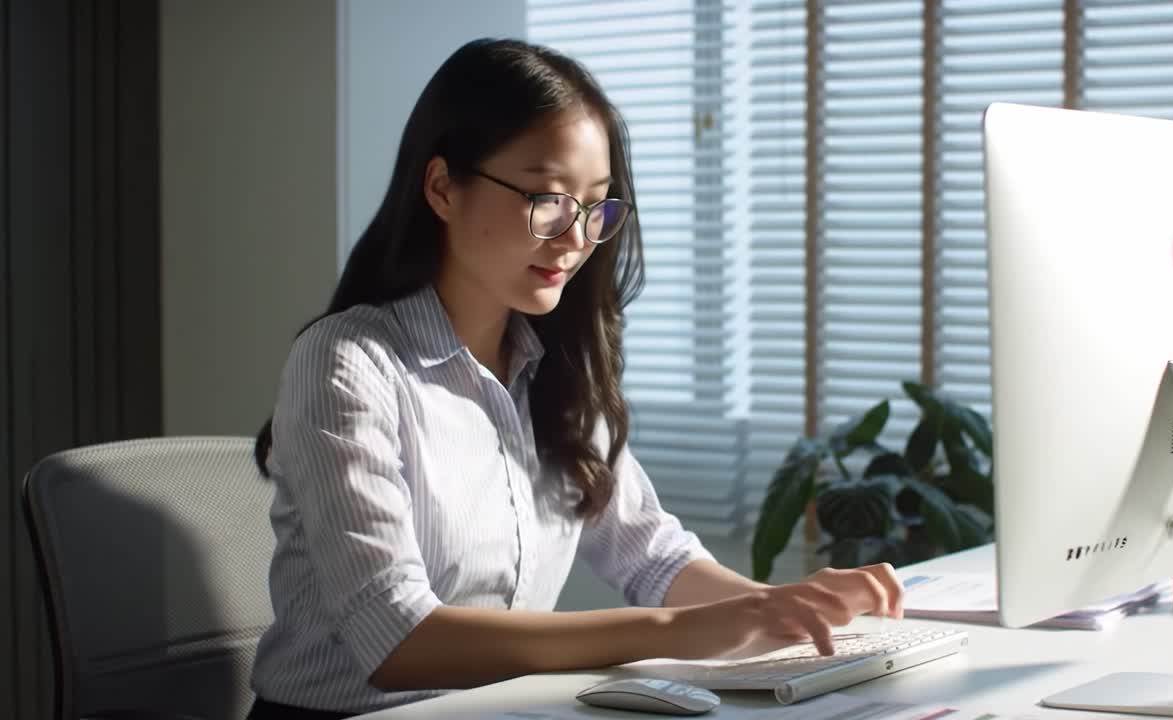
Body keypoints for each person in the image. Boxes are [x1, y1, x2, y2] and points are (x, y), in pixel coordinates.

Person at [246, 37, 905, 720]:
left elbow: (655, 559)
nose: (576, 239)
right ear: (443, 187)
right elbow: (400, 638)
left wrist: (787, 617)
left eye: (595, 208)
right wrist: (684, 634)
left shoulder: (551, 368)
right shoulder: (348, 363)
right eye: (549, 200)